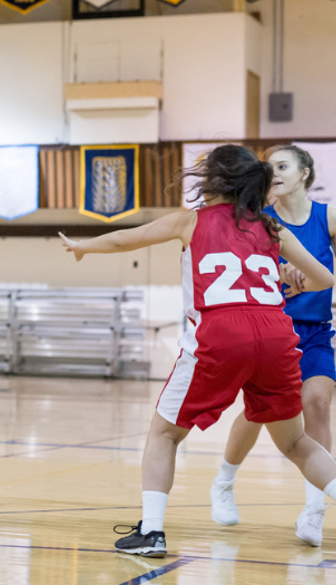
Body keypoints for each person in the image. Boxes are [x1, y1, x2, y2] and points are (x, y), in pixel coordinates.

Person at [58, 144, 336, 557]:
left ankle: (151, 532)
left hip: (222, 334)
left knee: (164, 434)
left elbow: (124, 241)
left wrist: (84, 246)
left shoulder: (192, 221)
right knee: (296, 444)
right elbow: (324, 278)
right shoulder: (271, 228)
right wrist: (291, 281)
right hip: (277, 335)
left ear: (213, 182)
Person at [210, 145, 335, 545]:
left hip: (315, 332)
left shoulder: (327, 217)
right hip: (270, 329)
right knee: (257, 414)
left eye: (283, 166)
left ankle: (314, 510)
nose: (274, 172)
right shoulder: (260, 223)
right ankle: (224, 481)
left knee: (316, 401)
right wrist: (282, 279)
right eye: (270, 168)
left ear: (304, 173)